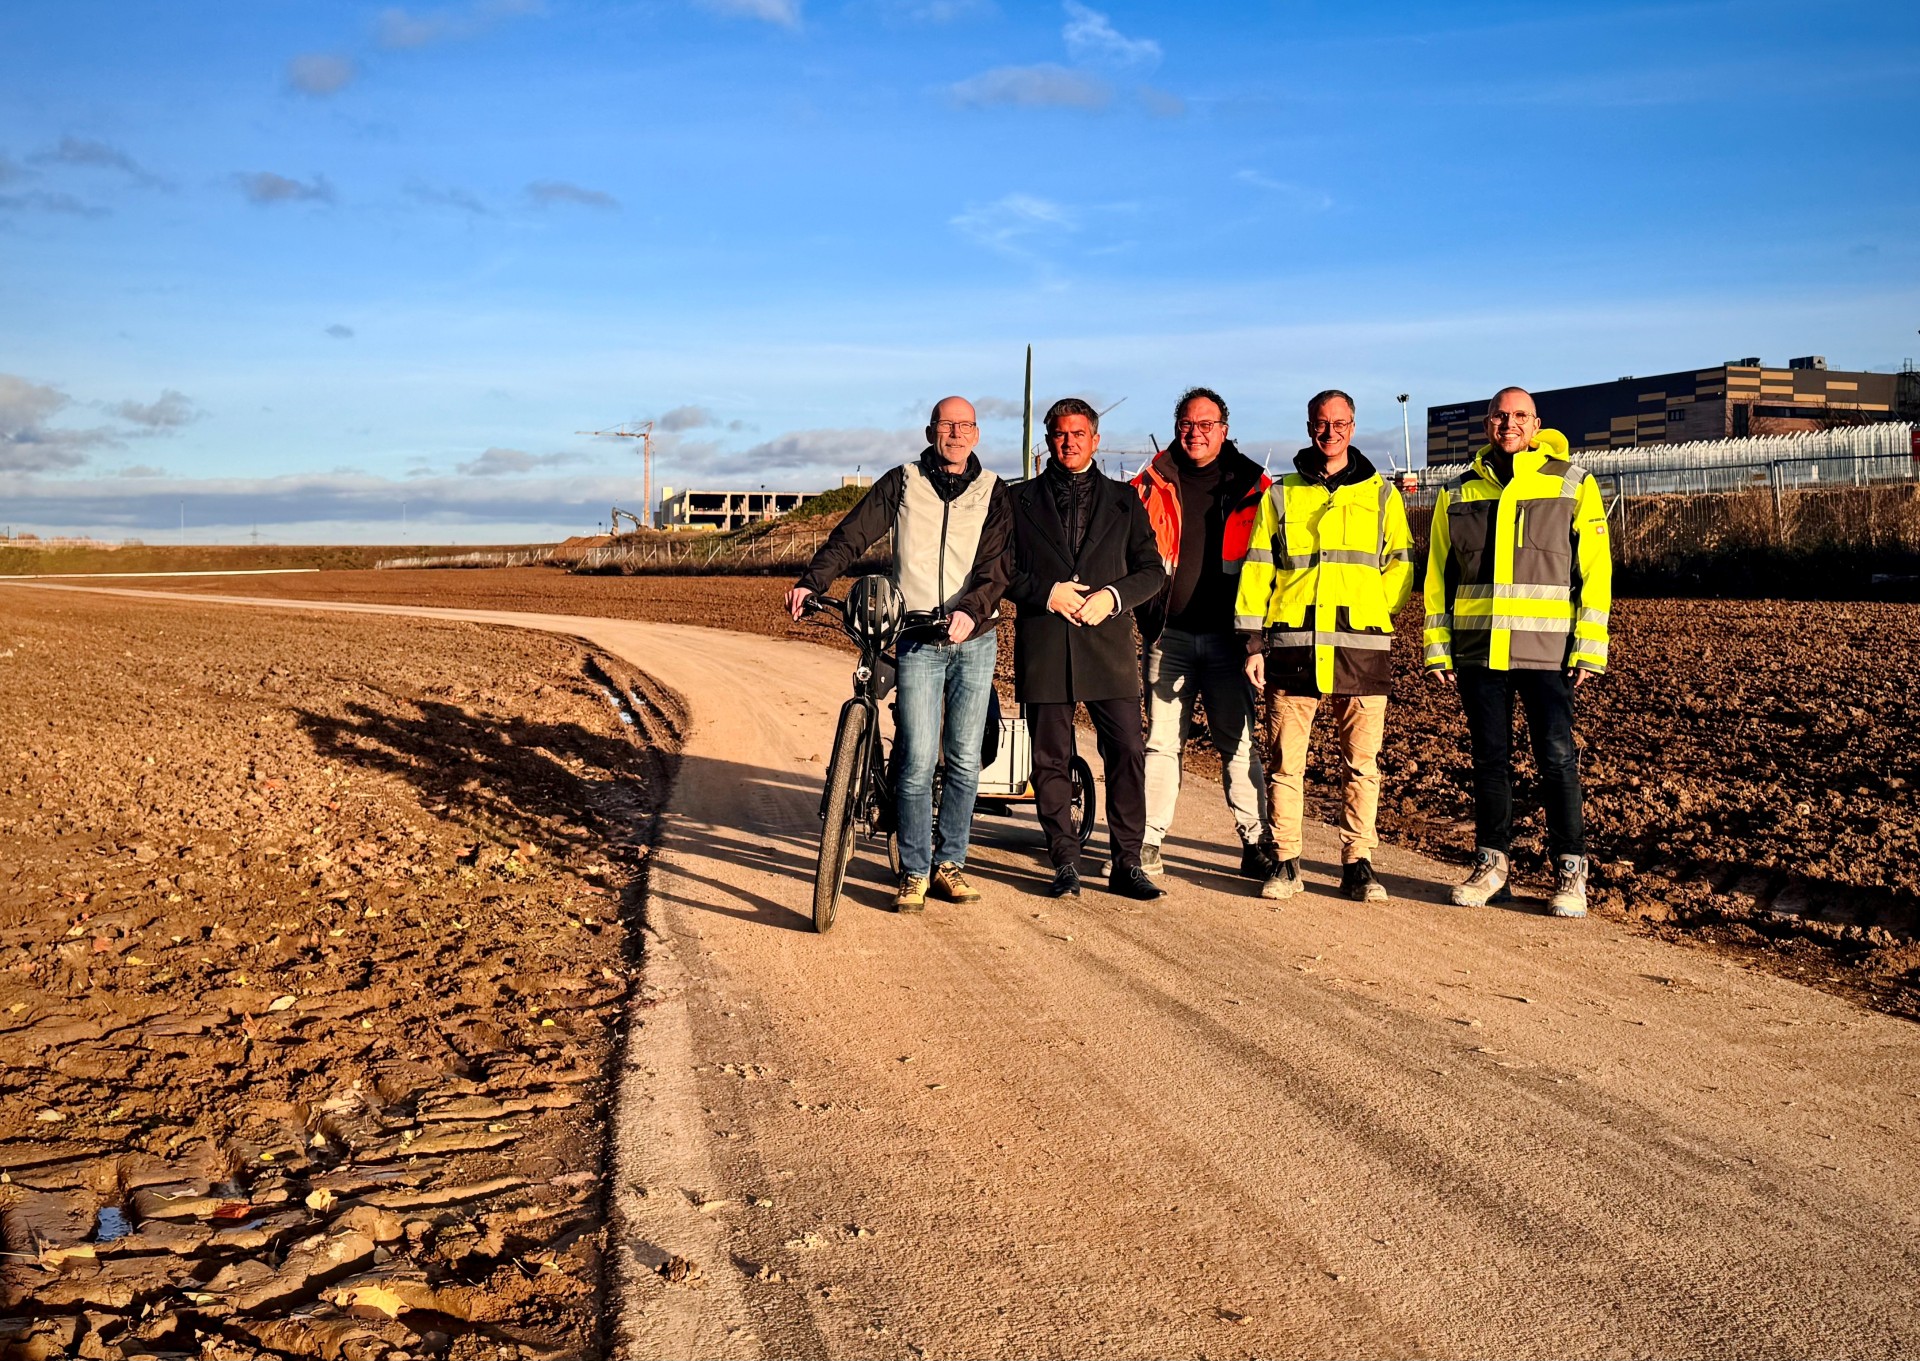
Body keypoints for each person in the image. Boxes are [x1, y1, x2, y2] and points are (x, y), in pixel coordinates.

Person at [788, 396, 1011, 913]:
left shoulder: (993, 492)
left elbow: (998, 564)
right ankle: (913, 871)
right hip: (915, 638)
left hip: (974, 639)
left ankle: (949, 864)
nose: (954, 434)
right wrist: (812, 580)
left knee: (962, 759)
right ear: (931, 430)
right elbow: (853, 535)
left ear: (976, 433)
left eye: (964, 426)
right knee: (915, 759)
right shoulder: (903, 480)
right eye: (945, 425)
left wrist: (972, 612)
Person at [1423, 385, 1612, 917]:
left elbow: (1596, 572)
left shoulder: (1573, 484)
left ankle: (1571, 871)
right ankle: (1492, 868)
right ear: (1487, 424)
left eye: (1519, 416)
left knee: (1557, 760)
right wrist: (1438, 648)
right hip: (1479, 653)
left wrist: (1589, 646)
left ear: (1536, 424)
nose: (1509, 424)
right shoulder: (1458, 491)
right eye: (1500, 416)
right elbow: (1438, 575)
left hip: (1547, 654)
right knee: (1490, 762)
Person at [1236, 390, 1413, 903]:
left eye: (1339, 423)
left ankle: (1358, 862)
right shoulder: (1282, 493)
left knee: (1362, 764)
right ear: (1309, 426)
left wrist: (1371, 613)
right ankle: (1286, 860)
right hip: (1292, 648)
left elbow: (1399, 565)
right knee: (1286, 763)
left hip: (1362, 649)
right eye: (1321, 422)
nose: (1330, 431)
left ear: (1353, 427)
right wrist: (1253, 643)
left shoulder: (1382, 494)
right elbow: (1258, 568)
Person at [1007, 397, 1167, 901]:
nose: (1069, 441)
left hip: (1108, 649)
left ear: (1095, 440)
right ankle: (1064, 861)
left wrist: (1115, 597)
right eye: (1059, 433)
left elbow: (1152, 570)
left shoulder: (1126, 500)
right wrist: (1044, 591)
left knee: (1126, 752)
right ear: (1048, 440)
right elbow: (1001, 569)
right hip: (1046, 646)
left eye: (1079, 434)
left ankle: (1126, 862)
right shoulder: (1018, 501)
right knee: (1050, 758)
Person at [1131, 387, 1276, 881]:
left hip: (1229, 640)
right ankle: (1148, 841)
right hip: (1167, 637)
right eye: (1188, 424)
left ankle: (1256, 842)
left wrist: (1259, 636)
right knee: (1162, 743)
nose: (1196, 433)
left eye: (1206, 424)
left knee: (1238, 744)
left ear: (1224, 429)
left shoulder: (1256, 485)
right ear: (1177, 428)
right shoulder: (1148, 484)